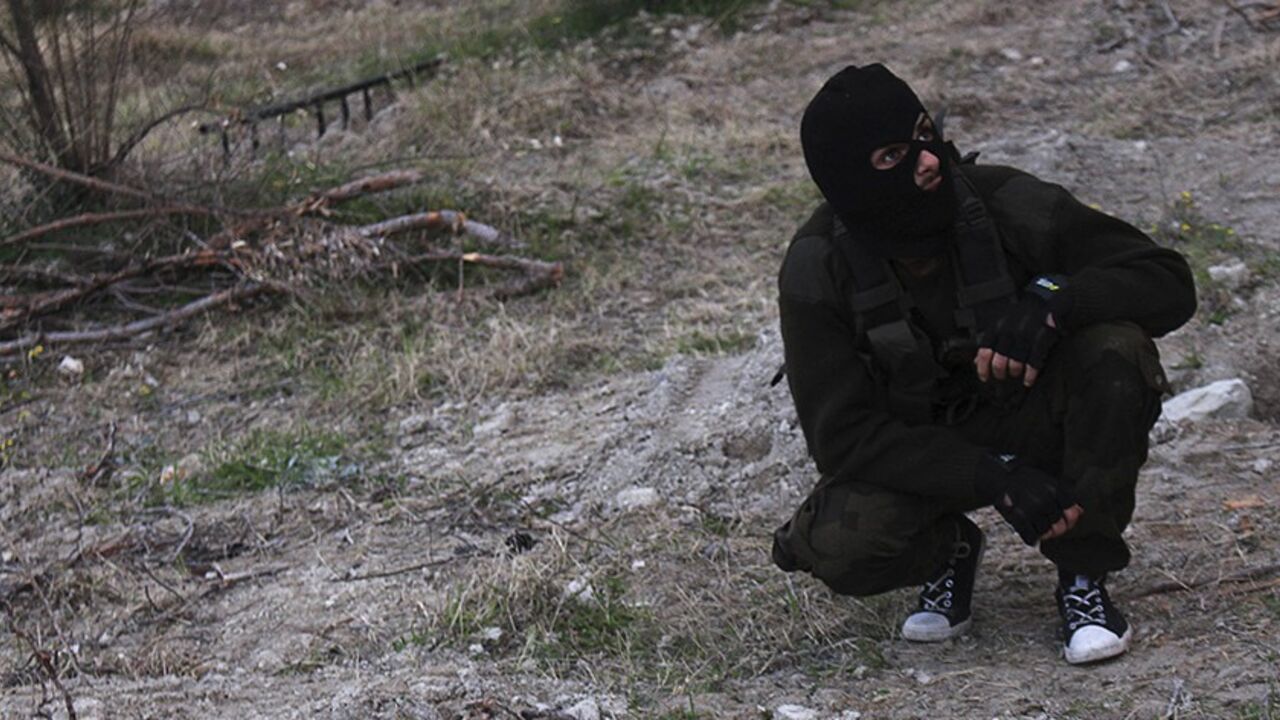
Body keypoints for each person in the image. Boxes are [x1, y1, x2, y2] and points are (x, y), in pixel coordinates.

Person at [770, 63, 1196, 665]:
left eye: (925, 134)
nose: (928, 162)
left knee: (1115, 351)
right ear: (849, 184)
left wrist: (1056, 302)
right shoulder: (817, 269)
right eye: (894, 156)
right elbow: (843, 437)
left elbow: (1169, 282)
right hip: (924, 449)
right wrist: (992, 475)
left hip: (1031, 407)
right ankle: (949, 552)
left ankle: (1083, 574)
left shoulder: (1004, 203)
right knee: (843, 545)